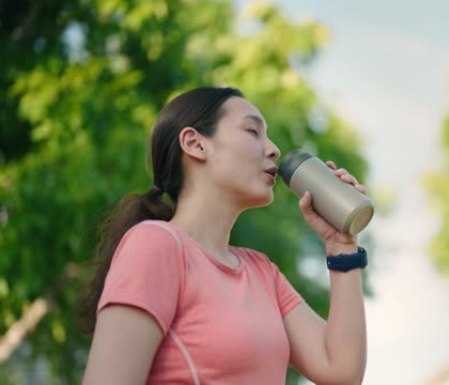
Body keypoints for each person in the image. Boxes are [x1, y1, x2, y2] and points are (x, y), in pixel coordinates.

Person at [81, 87, 368, 385]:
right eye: (252, 131)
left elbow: (342, 373)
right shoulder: (154, 245)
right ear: (195, 144)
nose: (273, 149)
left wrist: (342, 247)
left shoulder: (263, 273)